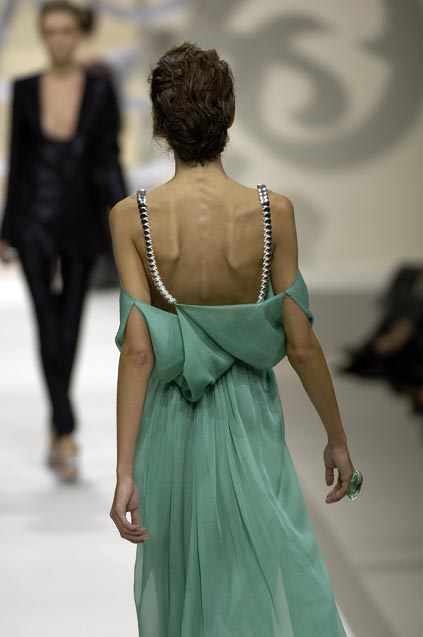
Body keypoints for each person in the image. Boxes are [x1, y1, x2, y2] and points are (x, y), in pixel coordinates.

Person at [109, 42, 355, 636]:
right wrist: (337, 439)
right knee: (259, 564)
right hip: (250, 414)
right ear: (231, 114)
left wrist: (124, 470)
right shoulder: (273, 212)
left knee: (185, 581)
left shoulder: (132, 217)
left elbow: (139, 351)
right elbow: (301, 343)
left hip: (172, 421)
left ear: (159, 122)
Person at [0, 0, 127, 481]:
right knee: (46, 324)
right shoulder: (24, 88)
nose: (58, 39)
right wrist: (6, 230)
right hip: (33, 221)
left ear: (79, 34)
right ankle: (66, 429)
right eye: (51, 31)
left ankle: (58, 426)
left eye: (66, 31)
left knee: (69, 324)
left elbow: (108, 159)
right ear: (42, 35)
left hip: (80, 221)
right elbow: (18, 163)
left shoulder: (99, 90)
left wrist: (124, 219)